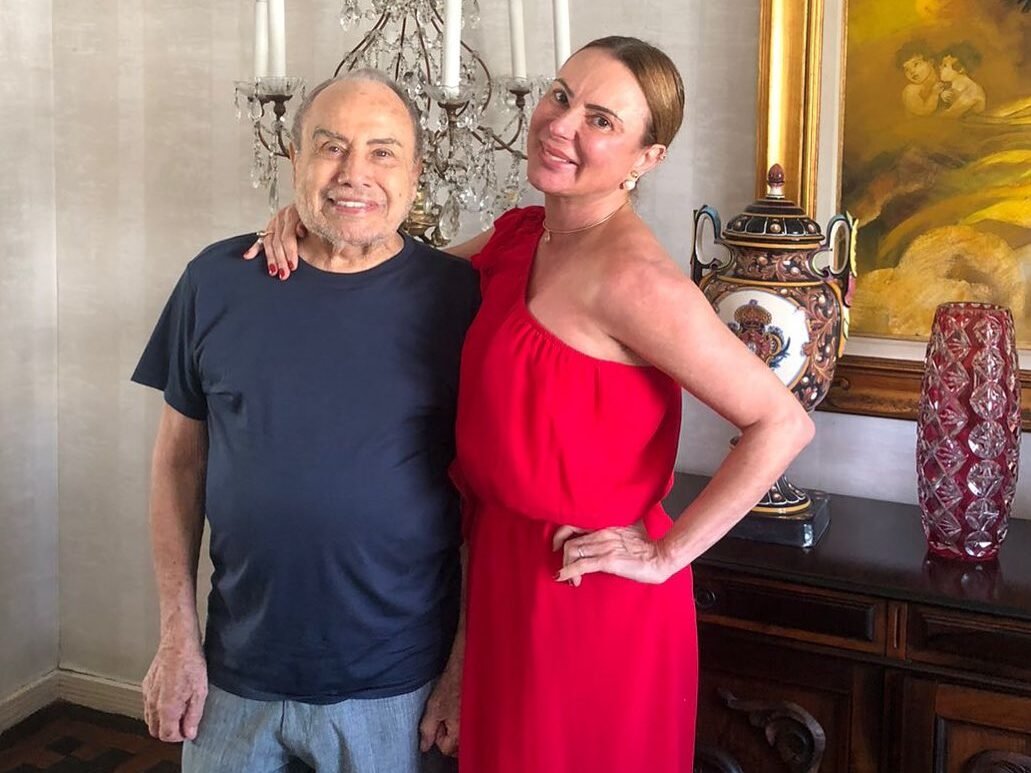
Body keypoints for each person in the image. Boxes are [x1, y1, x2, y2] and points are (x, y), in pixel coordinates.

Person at [251, 37, 814, 772]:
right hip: (500, 572)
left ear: (647, 157)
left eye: (600, 120)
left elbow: (781, 422)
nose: (560, 123)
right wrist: (314, 220)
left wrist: (665, 555)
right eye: (560, 95)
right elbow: (393, 277)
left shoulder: (638, 281)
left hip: (587, 596)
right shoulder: (523, 233)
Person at [132, 70, 478, 772]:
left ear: (416, 172)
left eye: (382, 152)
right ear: (294, 159)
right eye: (330, 147)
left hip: (397, 689)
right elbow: (177, 463)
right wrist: (176, 636)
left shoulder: (460, 298)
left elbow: (484, 496)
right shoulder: (215, 280)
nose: (354, 173)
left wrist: (463, 665)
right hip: (233, 678)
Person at [937, 43, 986, 118]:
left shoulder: (972, 90)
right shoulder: (951, 88)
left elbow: (949, 115)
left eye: (945, 65)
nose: (940, 67)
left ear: (960, 69)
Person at [896, 40, 943, 116]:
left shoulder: (944, 80)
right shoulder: (911, 91)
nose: (912, 71)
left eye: (916, 64)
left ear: (930, 61)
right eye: (907, 69)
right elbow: (923, 113)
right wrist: (934, 94)